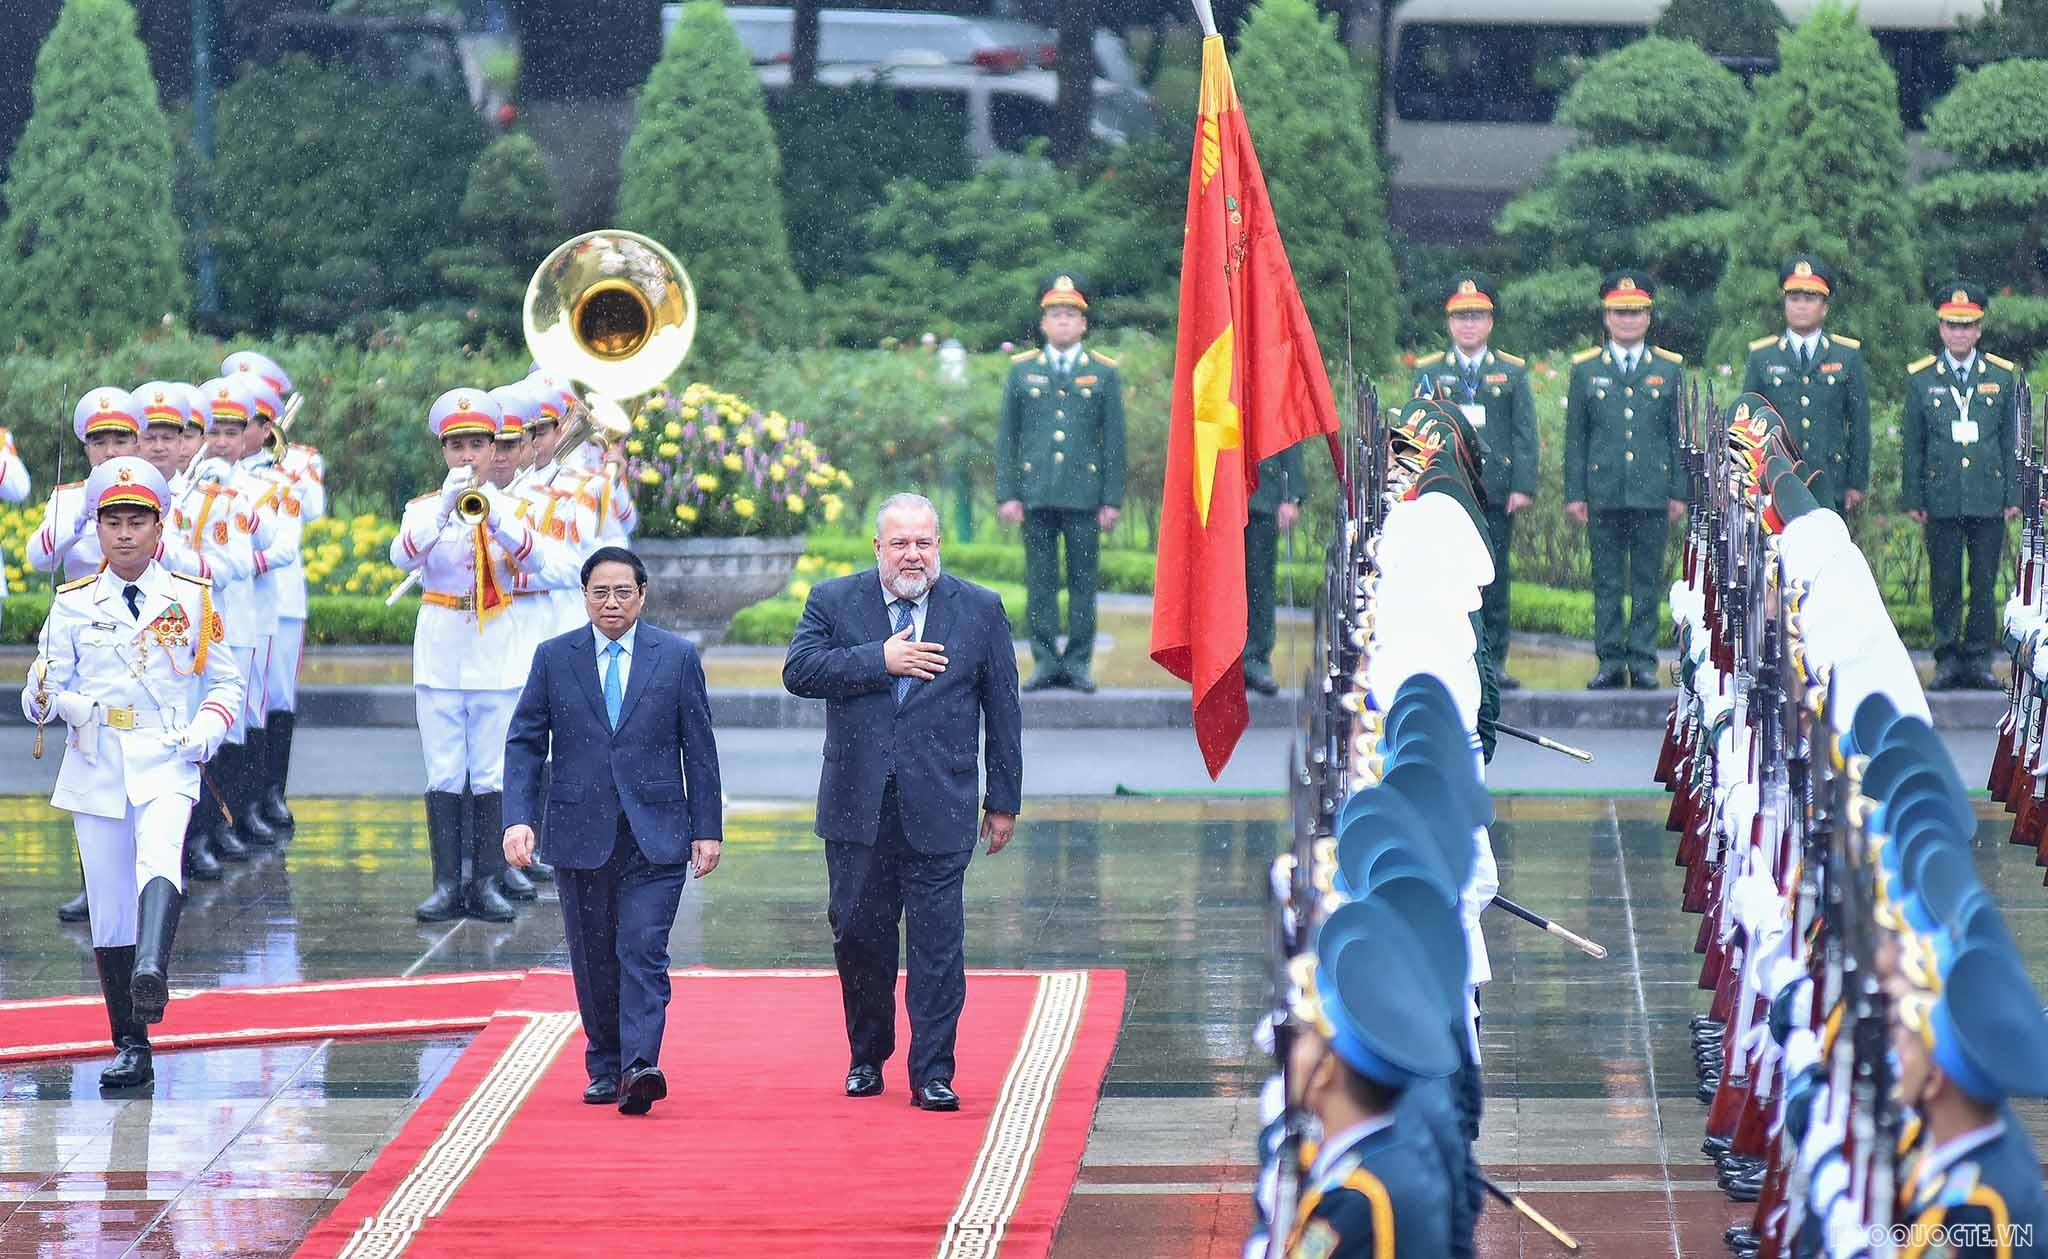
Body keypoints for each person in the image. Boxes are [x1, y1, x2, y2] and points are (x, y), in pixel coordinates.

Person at [782, 493, 1024, 1110]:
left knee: (938, 943)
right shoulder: (834, 601)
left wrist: (1003, 799)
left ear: (938, 545)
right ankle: (868, 1054)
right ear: (878, 549)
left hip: (940, 803)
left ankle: (933, 1072)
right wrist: (880, 660)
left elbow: (1003, 711)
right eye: (900, 543)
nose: (912, 554)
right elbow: (800, 671)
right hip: (855, 806)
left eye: (923, 542)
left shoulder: (979, 609)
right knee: (859, 934)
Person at [22, 455, 242, 1089]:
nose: (124, 533)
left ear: (158, 526)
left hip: (168, 751)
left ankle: (152, 970)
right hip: (96, 758)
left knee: (160, 857)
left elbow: (225, 680)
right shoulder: (72, 603)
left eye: (136, 521)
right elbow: (42, 691)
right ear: (96, 529)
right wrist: (43, 697)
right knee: (111, 906)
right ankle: (131, 1041)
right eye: (112, 521)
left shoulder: (192, 598)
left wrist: (207, 731)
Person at [502, 546, 724, 1116]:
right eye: (600, 592)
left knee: (643, 948)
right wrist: (518, 818)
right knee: (594, 954)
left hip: (658, 833)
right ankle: (605, 1062)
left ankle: (639, 1066)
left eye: (623, 591)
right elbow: (525, 741)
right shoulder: (555, 658)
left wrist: (708, 828)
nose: (611, 602)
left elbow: (699, 748)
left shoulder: (675, 657)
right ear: (584, 597)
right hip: (580, 831)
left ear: (643, 595)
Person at [392, 389, 576, 925]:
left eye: (477, 445)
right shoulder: (425, 508)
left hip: (496, 648)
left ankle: (489, 880)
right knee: (445, 769)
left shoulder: (515, 506)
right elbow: (401, 553)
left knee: (492, 770)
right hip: (442, 647)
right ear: (444, 451)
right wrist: (447, 508)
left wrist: (494, 517)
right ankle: (447, 883)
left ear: (495, 447)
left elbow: (540, 562)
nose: (467, 456)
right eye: (457, 446)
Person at [35, 388, 145, 923]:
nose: (110, 449)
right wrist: (78, 513)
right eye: (99, 441)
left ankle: (155, 873)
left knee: (148, 760)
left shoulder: (154, 495)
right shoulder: (70, 496)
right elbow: (38, 556)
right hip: (87, 636)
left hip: (144, 637)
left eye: (120, 438)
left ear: (137, 442)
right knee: (89, 759)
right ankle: (95, 880)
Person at [995, 274, 1125, 693]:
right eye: (1056, 315)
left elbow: (1115, 443)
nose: (1064, 322)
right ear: (1044, 323)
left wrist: (1111, 499)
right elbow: (1007, 438)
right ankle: (1046, 661)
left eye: (1071, 315)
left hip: (1085, 497)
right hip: (1036, 495)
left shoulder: (1103, 374)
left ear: (1083, 324)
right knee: (1041, 583)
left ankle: (1079, 663)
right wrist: (1007, 493)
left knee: (1084, 584)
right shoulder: (1022, 372)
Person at [1411, 273, 1538, 688]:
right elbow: (1415, 430)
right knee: (1447, 577)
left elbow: (1524, 433)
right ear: (1449, 322)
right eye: (1461, 316)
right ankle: (1452, 657)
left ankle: (1493, 661)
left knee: (1494, 579)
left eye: (1477, 316)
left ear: (1490, 322)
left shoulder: (1512, 372)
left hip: (1495, 493)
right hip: (1448, 495)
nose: (1469, 324)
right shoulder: (1431, 372)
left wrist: (1523, 485)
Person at [1563, 271, 1686, 691]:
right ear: (1606, 316)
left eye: (1636, 312)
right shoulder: (1586, 370)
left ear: (1649, 317)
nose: (1628, 320)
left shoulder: (1669, 370)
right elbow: (1576, 437)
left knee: (1648, 580)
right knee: (1608, 581)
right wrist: (1575, 493)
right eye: (1620, 312)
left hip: (1652, 492)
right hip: (1604, 491)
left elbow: (1677, 435)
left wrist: (1679, 491)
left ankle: (1644, 660)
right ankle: (1611, 660)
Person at [1901, 284, 2020, 691]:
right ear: (1941, 329)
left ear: (1979, 331)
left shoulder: (2001, 377)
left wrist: (2014, 495)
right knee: (1945, 582)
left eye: (1967, 326)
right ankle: (1948, 659)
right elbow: (1913, 444)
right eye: (1952, 326)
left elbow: (2010, 441)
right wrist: (1914, 496)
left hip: (1988, 496)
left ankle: (1979, 659)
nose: (1959, 334)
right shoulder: (1921, 379)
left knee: (1985, 583)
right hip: (1943, 496)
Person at [225, 351, 323, 831]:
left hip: (279, 594)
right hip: (230, 596)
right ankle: (239, 804)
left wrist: (289, 463)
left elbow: (315, 510)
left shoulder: (297, 463)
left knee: (276, 697)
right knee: (238, 701)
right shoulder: (214, 472)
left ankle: (270, 793)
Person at [1741, 255, 1870, 513]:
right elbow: (1748, 424)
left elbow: (1858, 425)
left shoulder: (1846, 356)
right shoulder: (1762, 357)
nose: (1801, 306)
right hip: (1775, 480)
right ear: (1784, 303)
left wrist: (1856, 482)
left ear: (1825, 307)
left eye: (1810, 298)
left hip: (1829, 480)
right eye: (1794, 298)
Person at [1244, 445, 1305, 696]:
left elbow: (1287, 427)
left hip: (1262, 493)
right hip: (1218, 489)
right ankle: (1220, 665)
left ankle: (1255, 660)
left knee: (1259, 584)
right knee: (1217, 587)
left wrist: (1292, 496)